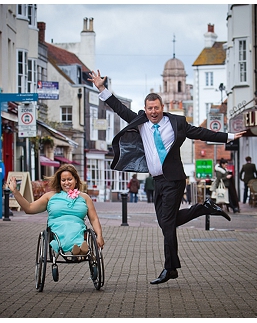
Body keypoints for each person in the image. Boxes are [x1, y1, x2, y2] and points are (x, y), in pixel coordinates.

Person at [89, 70, 241, 285]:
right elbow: (120, 109)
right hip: (158, 179)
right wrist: (102, 89)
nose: (153, 112)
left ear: (162, 108)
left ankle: (170, 268)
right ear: (146, 109)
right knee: (165, 222)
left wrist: (229, 136)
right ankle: (203, 208)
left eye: (156, 108)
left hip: (174, 179)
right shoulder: (141, 122)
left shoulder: (177, 123)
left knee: (167, 224)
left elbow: (201, 133)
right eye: (149, 108)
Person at [8, 164, 104, 255]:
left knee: (76, 229)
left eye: (69, 179)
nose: (66, 183)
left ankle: (79, 249)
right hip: (58, 228)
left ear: (76, 180)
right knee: (66, 227)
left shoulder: (85, 197)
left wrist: (99, 236)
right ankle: (78, 250)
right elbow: (29, 208)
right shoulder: (50, 196)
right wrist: (15, 192)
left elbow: (94, 219)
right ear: (59, 181)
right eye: (63, 180)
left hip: (78, 228)